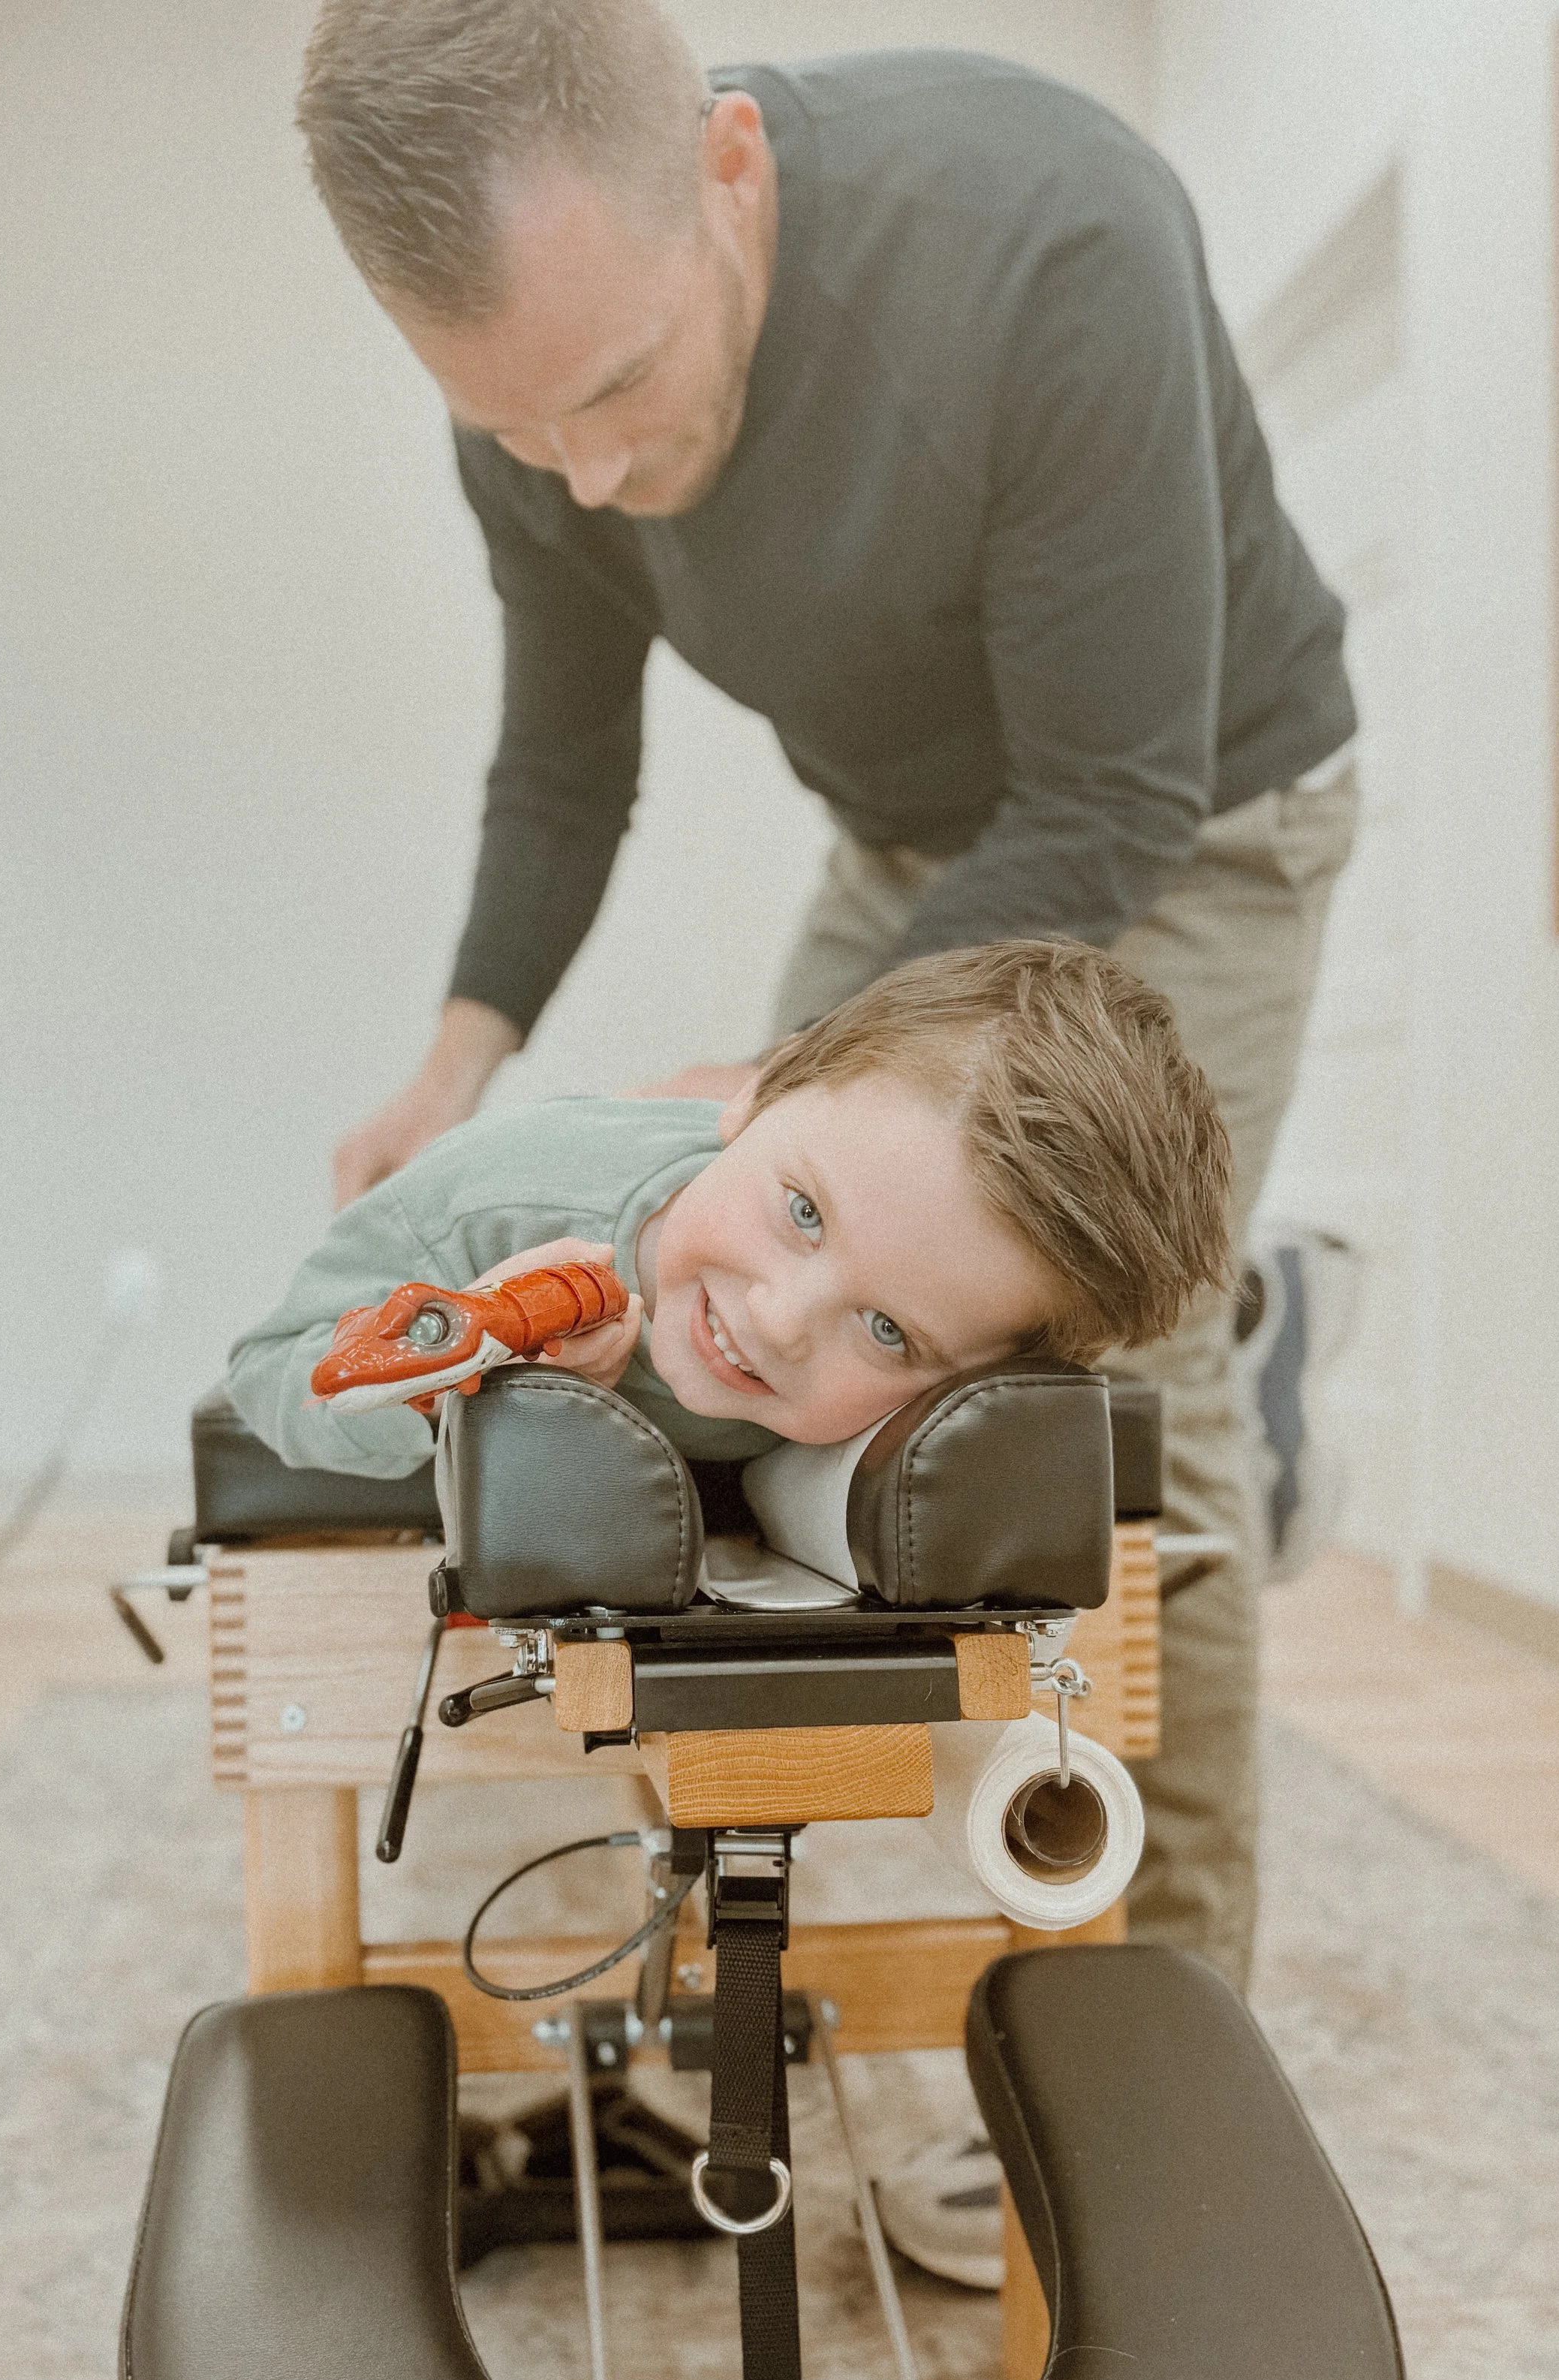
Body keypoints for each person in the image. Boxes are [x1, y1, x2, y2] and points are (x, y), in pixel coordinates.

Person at [292, 1, 1353, 2059]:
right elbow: (561, 764)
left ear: (729, 173)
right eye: (521, 433)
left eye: (613, 389)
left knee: (1109, 1408)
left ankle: (1160, 2040)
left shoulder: (1050, 234)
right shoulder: (536, 395)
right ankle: (728, 1944)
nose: (587, 472)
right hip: (916, 843)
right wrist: (455, 1064)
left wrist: (798, 1082)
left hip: (1195, 818)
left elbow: (1110, 798)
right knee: (738, 1315)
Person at [228, 942, 1232, 1481]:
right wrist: (446, 1368)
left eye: (887, 1331)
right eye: (802, 1213)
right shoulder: (498, 1196)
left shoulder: (970, 1310)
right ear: (760, 1089)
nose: (781, 1321)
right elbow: (272, 1370)